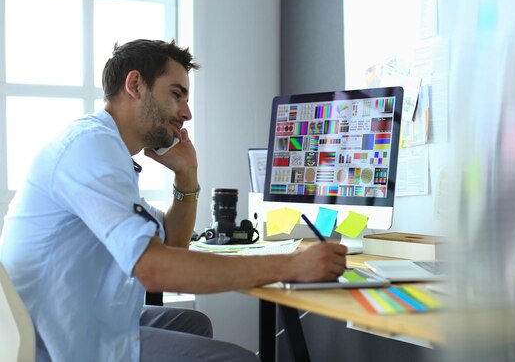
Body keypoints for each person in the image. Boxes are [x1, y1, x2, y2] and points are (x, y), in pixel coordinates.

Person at [0, 39, 347, 361]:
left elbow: (174, 242)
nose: (186, 113)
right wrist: (290, 266)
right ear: (135, 85)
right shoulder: (90, 147)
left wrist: (186, 176)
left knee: (194, 324)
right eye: (177, 95)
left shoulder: (106, 152)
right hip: (51, 339)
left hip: (69, 312)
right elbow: (154, 268)